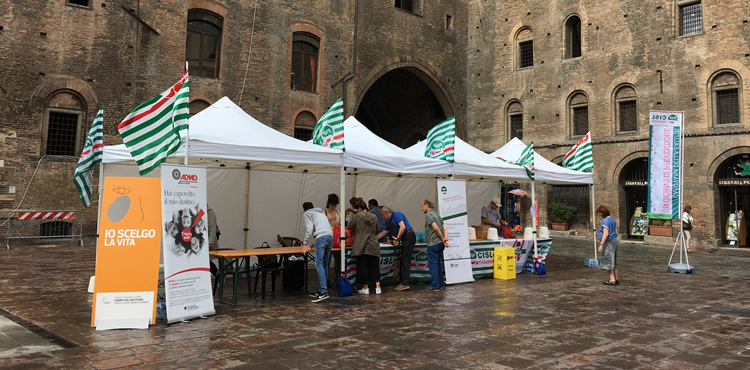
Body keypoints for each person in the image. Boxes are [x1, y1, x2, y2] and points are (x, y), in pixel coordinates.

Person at [377, 207, 415, 291]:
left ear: (387, 212)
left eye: (382, 215)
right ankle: (403, 282)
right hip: (405, 237)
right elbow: (384, 232)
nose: (382, 217)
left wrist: (398, 237)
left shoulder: (397, 214)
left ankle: (405, 283)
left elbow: (403, 227)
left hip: (409, 236)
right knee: (403, 260)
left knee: (405, 260)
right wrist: (374, 239)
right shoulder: (390, 220)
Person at [302, 202, 334, 302]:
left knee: (318, 263)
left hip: (322, 238)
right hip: (329, 237)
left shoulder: (307, 213)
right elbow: (324, 228)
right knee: (324, 264)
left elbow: (310, 228)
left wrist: (304, 243)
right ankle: (321, 289)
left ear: (304, 210)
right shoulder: (321, 213)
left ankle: (324, 291)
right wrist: (317, 244)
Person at [347, 200, 381, 295]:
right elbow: (377, 229)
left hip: (361, 244)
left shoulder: (357, 216)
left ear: (359, 209)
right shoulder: (374, 217)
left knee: (363, 266)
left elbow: (350, 226)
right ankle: (378, 287)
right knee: (375, 266)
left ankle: (366, 288)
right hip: (373, 243)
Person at [422, 199, 449, 290]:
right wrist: (445, 240)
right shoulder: (437, 215)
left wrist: (442, 239)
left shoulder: (429, 215)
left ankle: (435, 284)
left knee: (433, 264)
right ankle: (440, 283)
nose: (422, 208)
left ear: (427, 205)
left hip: (433, 243)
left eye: (422, 206)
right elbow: (445, 228)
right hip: (440, 244)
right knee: (438, 263)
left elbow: (436, 228)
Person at [597, 205, 619, 286]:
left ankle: (612, 279)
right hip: (614, 240)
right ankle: (616, 278)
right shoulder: (612, 219)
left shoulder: (605, 221)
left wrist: (601, 244)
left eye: (599, 213)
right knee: (613, 260)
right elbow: (616, 231)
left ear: (602, 213)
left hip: (608, 241)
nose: (599, 215)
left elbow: (606, 234)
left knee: (608, 260)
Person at [207, 207, 220, 276]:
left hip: (207, 241)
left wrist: (211, 242)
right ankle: (218, 276)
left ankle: (218, 276)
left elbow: (212, 228)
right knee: (206, 262)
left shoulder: (209, 212)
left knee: (207, 262)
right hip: (201, 241)